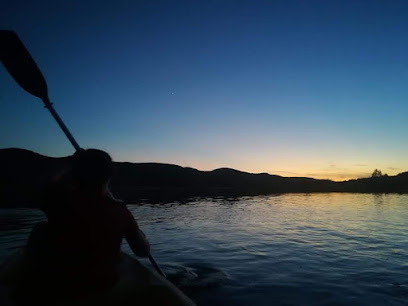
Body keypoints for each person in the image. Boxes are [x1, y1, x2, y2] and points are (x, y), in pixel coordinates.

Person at [19, 149, 151, 304]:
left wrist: (69, 164)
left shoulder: (57, 200)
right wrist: (140, 234)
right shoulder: (120, 211)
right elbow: (143, 251)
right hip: (102, 289)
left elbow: (49, 183)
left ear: (74, 174)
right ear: (109, 175)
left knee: (40, 228)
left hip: (56, 289)